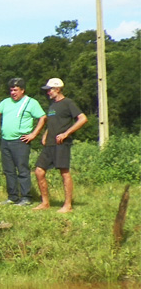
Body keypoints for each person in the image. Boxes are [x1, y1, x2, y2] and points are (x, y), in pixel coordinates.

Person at [0, 78, 46, 206]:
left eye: (15, 90)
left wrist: (33, 134)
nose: (13, 93)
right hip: (6, 140)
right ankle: (13, 197)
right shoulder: (6, 102)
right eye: (11, 90)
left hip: (20, 141)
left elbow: (42, 117)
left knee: (22, 169)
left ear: (22, 90)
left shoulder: (31, 103)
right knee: (9, 170)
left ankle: (26, 197)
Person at [32, 78, 88, 213]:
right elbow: (52, 123)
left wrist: (66, 133)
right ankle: (45, 203)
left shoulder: (68, 103)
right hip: (49, 144)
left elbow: (83, 119)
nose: (48, 93)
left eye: (49, 90)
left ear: (57, 89)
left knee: (64, 172)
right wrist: (45, 135)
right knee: (39, 171)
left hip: (62, 143)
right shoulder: (52, 106)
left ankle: (67, 205)